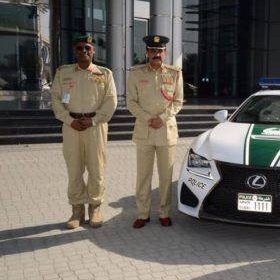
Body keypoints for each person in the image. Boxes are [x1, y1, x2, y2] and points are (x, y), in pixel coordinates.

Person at [50, 35, 117, 229]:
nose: (84, 51)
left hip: (96, 126)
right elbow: (55, 99)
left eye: (88, 48)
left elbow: (110, 101)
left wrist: (94, 120)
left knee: (97, 169)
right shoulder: (63, 73)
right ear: (75, 51)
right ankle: (77, 210)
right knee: (74, 169)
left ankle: (95, 208)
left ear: (93, 51)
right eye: (80, 48)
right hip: (71, 127)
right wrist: (70, 120)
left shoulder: (104, 74)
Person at [127, 35, 184, 228]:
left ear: (165, 53)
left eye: (159, 51)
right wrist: (147, 118)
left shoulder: (175, 73)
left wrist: (162, 118)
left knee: (166, 176)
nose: (156, 54)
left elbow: (177, 101)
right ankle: (143, 213)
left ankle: (164, 212)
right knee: (143, 175)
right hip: (144, 130)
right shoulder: (135, 73)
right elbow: (131, 102)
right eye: (152, 50)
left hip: (166, 130)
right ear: (147, 53)